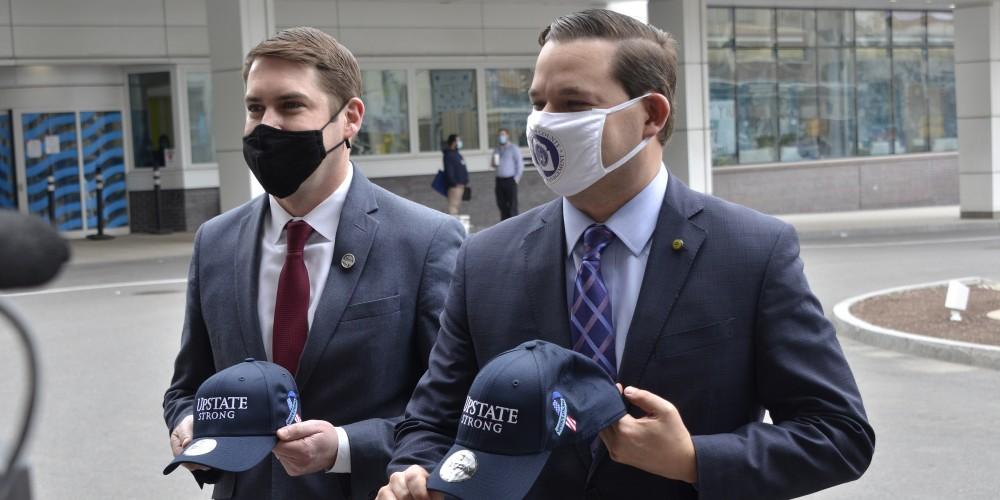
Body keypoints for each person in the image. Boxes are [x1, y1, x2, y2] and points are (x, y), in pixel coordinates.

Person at [379, 9, 874, 500]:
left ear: (651, 116)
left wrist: (694, 460)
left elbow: (838, 433)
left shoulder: (751, 251)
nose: (545, 124)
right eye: (538, 103)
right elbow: (430, 421)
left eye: (573, 103)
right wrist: (415, 473)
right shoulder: (486, 259)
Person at [163, 27, 464, 500]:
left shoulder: (425, 240)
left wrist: (343, 446)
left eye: (291, 106)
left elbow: (450, 407)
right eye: (255, 108)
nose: (268, 126)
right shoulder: (216, 241)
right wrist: (187, 422)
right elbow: (187, 386)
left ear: (350, 119)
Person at [490, 128, 523, 220]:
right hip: (499, 180)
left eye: (503, 135)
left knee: (512, 204)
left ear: (507, 136)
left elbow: (520, 165)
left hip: (510, 180)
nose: (501, 137)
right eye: (500, 135)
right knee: (501, 203)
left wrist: (516, 179)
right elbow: (493, 165)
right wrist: (493, 162)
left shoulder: (513, 148)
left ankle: (514, 224)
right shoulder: (496, 149)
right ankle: (504, 223)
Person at [441, 134, 468, 215]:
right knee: (453, 207)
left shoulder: (457, 154)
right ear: (453, 142)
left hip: (460, 185)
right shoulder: (449, 155)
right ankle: (452, 226)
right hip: (455, 186)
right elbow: (449, 171)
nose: (460, 142)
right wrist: (455, 183)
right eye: (458, 140)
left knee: (457, 206)